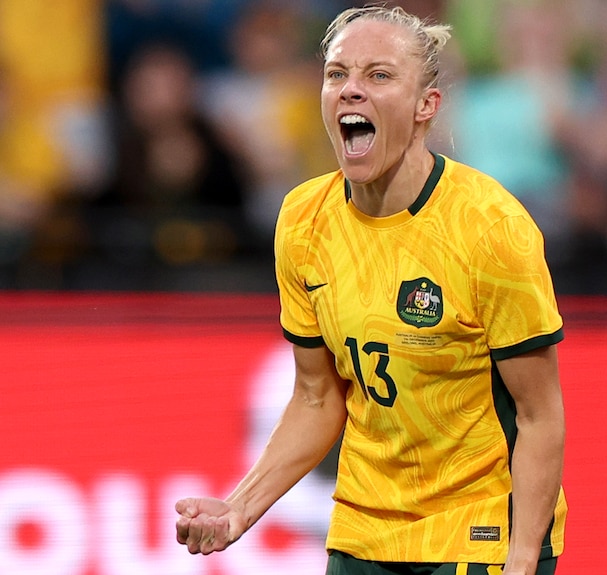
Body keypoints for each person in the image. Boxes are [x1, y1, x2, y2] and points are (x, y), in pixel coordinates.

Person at [174, 6, 567, 575]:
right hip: (364, 531)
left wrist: (524, 557)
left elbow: (539, 416)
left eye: (379, 76)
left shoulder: (491, 228)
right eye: (337, 74)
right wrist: (237, 510)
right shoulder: (303, 220)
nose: (351, 90)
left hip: (478, 532)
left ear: (425, 107)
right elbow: (317, 396)